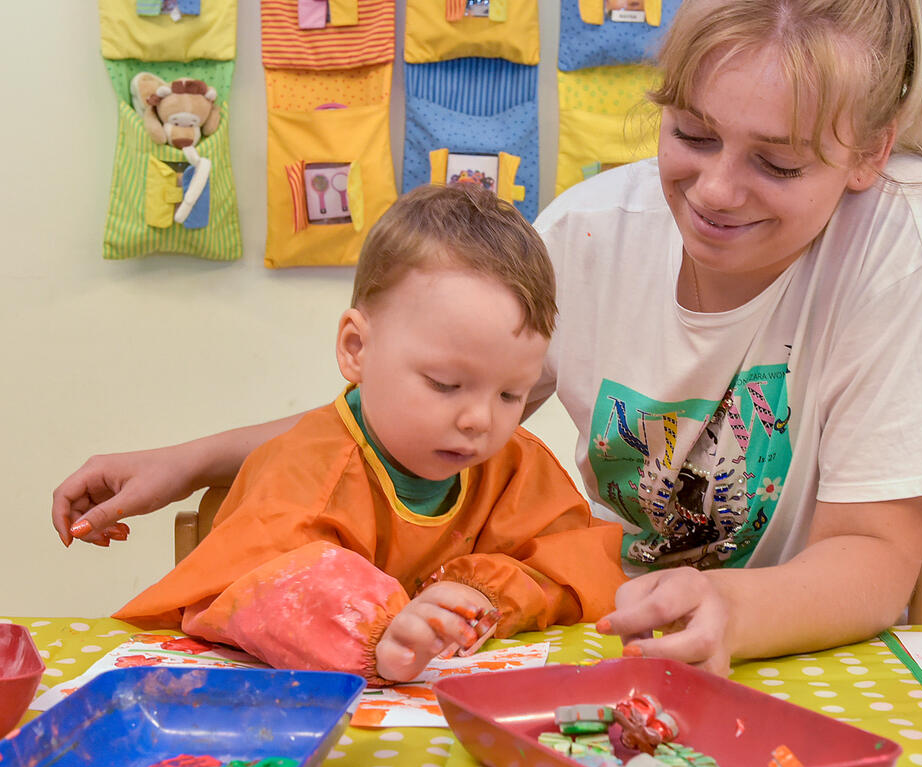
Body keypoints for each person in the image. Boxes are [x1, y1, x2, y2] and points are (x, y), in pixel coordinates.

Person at [53, 0, 922, 676]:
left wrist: (733, 608)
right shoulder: (587, 231)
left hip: (786, 652)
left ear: (871, 151)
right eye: (692, 135)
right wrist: (193, 458)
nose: (714, 191)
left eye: (778, 163)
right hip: (603, 639)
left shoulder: (902, 233)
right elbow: (415, 408)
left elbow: (874, 553)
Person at [110, 184, 628, 684]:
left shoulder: (516, 468)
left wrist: (482, 595)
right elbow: (258, 583)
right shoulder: (306, 468)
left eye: (510, 395)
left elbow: (579, 563)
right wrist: (378, 631)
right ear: (356, 348)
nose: (480, 420)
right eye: (445, 384)